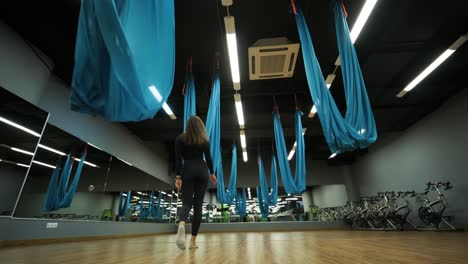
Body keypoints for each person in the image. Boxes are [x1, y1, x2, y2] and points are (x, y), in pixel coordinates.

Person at [174, 116, 217, 250]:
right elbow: (209, 157)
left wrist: (178, 177)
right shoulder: (204, 139)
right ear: (200, 126)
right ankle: (193, 241)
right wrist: (212, 173)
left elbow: (178, 159)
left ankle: (181, 224)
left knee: (186, 203)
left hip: (187, 170)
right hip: (202, 170)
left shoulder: (180, 139)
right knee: (198, 206)